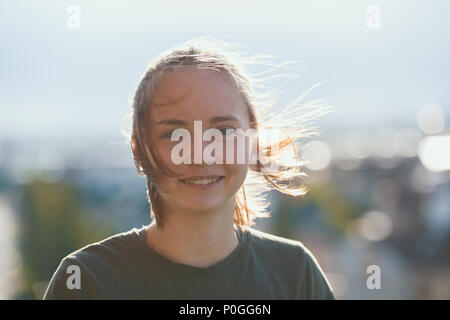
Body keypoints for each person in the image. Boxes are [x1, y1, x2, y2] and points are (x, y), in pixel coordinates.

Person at [44, 37, 335, 300]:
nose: (200, 154)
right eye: (174, 134)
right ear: (140, 150)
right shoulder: (86, 281)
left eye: (223, 131)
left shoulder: (295, 274)